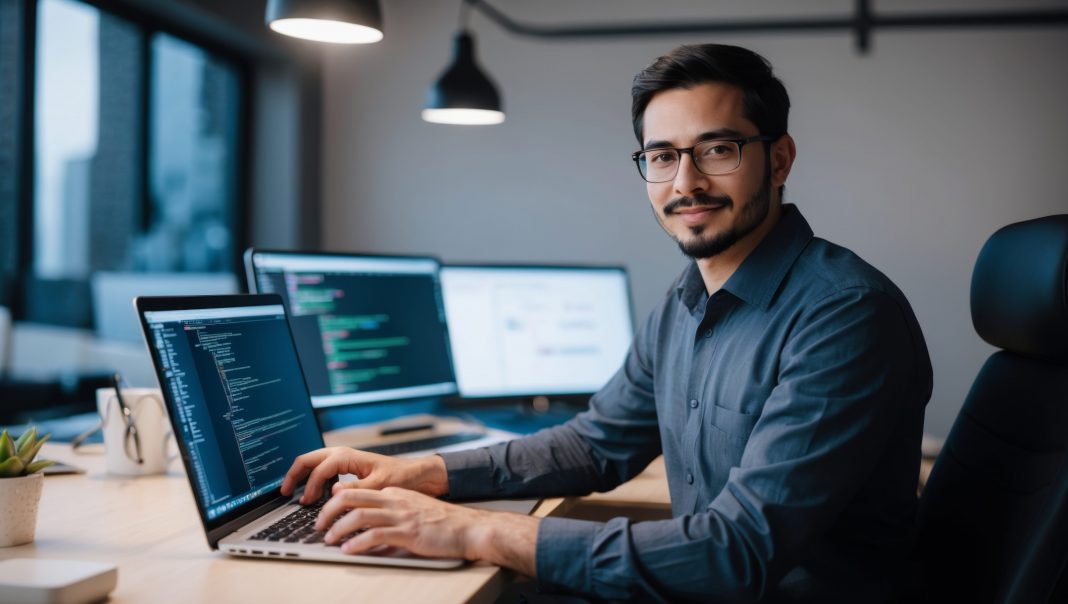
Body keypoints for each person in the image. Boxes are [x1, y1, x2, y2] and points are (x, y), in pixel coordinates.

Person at [281, 43, 932, 603]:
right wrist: (424, 472)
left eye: (718, 150)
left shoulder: (843, 315)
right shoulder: (685, 301)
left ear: (780, 159)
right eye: (662, 156)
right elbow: (594, 445)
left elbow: (737, 554)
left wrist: (472, 529)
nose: (686, 182)